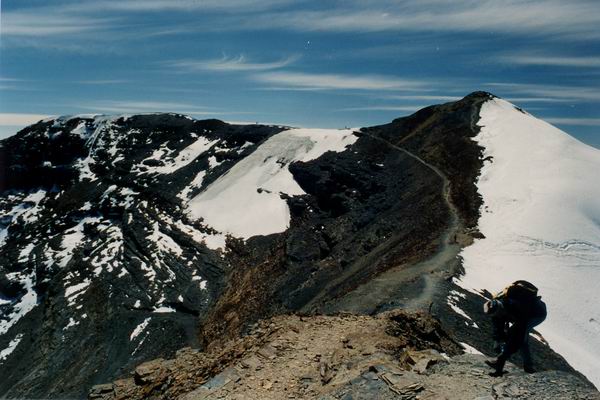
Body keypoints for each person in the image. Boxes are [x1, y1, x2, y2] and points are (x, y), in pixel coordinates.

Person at [483, 280, 547, 376]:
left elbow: (517, 338)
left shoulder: (521, 307)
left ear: (502, 309)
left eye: (498, 313)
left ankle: (525, 366)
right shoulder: (498, 303)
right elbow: (497, 322)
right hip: (519, 312)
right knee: (518, 338)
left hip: (536, 315)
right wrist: (497, 340)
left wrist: (502, 357)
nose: (497, 316)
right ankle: (528, 366)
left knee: (519, 337)